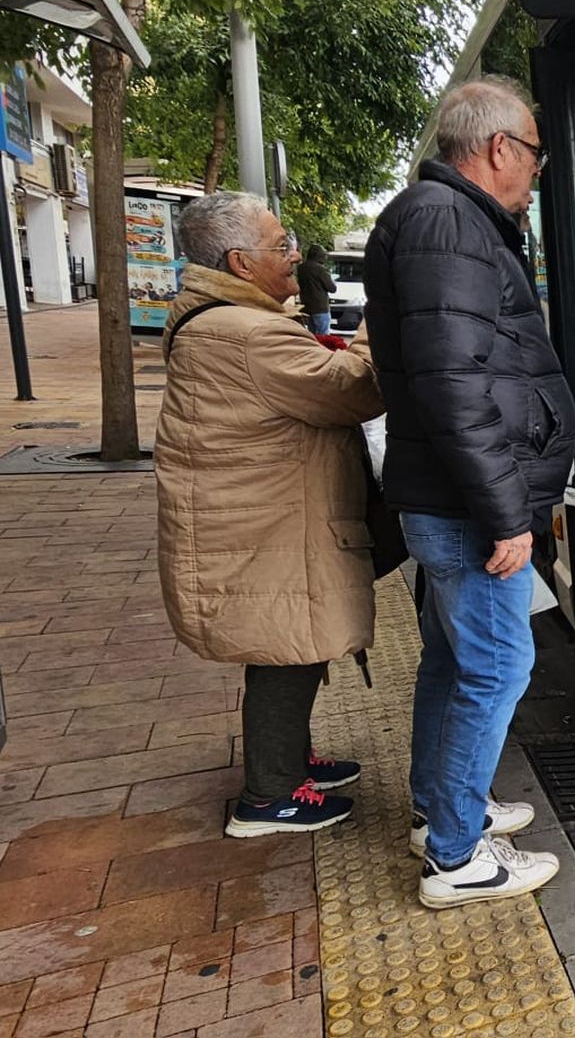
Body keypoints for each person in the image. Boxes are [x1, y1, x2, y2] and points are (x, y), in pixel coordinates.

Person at [364, 76, 575, 909]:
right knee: (498, 666)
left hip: (449, 500)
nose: (535, 172)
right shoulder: (450, 224)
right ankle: (456, 853)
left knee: (455, 661)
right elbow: (459, 387)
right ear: (499, 149)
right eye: (533, 153)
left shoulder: (438, 220)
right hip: (468, 508)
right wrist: (507, 514)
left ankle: (439, 807)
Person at [155, 191, 386, 838]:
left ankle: (286, 757)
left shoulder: (217, 318)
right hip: (263, 528)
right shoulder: (245, 331)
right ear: (240, 261)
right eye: (281, 246)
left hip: (256, 521)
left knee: (287, 641)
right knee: (288, 645)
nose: (294, 257)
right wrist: (379, 322)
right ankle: (271, 794)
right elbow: (354, 391)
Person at [296, 243, 338, 336]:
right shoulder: (320, 269)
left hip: (307, 307)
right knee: (323, 337)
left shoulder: (301, 268)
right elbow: (332, 288)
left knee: (311, 336)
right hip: (320, 308)